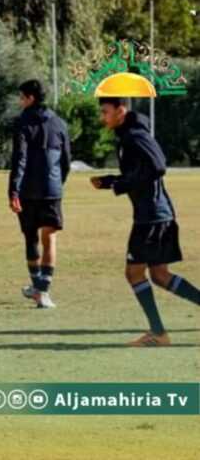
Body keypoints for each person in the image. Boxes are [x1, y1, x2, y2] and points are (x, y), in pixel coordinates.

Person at [91, 97, 199, 347]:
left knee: (134, 273)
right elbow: (139, 173)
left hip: (150, 218)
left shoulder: (135, 135)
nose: (102, 117)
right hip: (156, 215)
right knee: (160, 275)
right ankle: (158, 333)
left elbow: (158, 166)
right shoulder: (127, 135)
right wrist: (111, 181)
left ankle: (158, 333)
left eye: (105, 112)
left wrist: (121, 184)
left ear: (121, 110)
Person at [8, 80, 71, 309]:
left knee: (31, 238)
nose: (20, 101)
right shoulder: (59, 123)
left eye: (22, 97)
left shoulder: (22, 123)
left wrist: (13, 190)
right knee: (49, 238)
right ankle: (42, 291)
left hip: (27, 190)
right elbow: (66, 161)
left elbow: (20, 158)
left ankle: (38, 288)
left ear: (30, 98)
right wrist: (58, 184)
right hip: (52, 190)